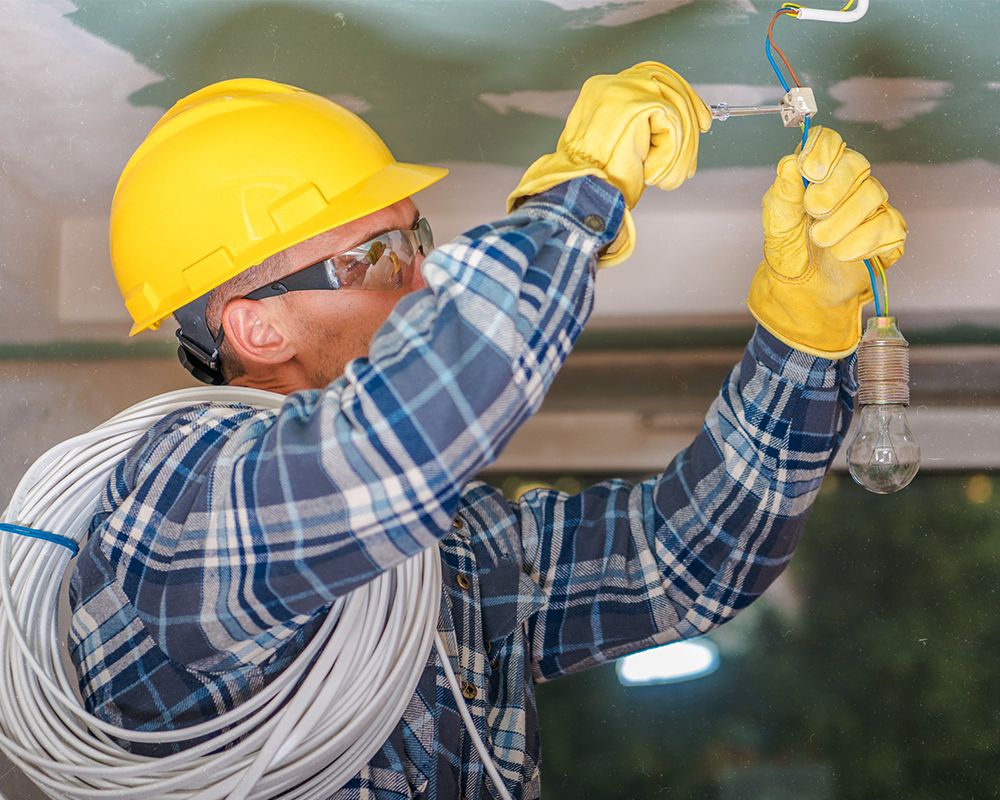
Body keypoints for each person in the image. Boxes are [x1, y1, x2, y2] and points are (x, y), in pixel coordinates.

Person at [68, 63, 905, 798]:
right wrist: (577, 202)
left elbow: (679, 563)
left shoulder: (450, 553)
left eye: (417, 240)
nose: (425, 273)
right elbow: (420, 424)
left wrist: (804, 332)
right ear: (258, 332)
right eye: (382, 255)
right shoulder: (171, 508)